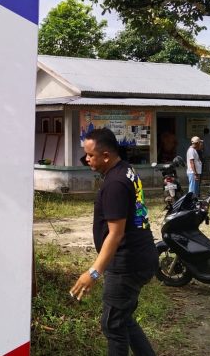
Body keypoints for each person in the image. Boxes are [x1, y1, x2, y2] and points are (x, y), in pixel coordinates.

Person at [69, 128, 159, 356]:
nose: (86, 159)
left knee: (113, 325)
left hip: (126, 264)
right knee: (123, 319)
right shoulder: (126, 170)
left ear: (106, 156)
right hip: (140, 256)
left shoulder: (115, 184)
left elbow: (115, 234)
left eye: (90, 155)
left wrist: (93, 273)